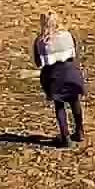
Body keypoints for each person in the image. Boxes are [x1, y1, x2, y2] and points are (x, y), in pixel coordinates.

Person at [33, 12, 86, 146]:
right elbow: (74, 54)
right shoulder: (67, 35)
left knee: (59, 106)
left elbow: (39, 63)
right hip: (71, 73)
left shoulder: (40, 41)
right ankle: (80, 132)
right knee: (75, 102)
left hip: (54, 77)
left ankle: (65, 137)